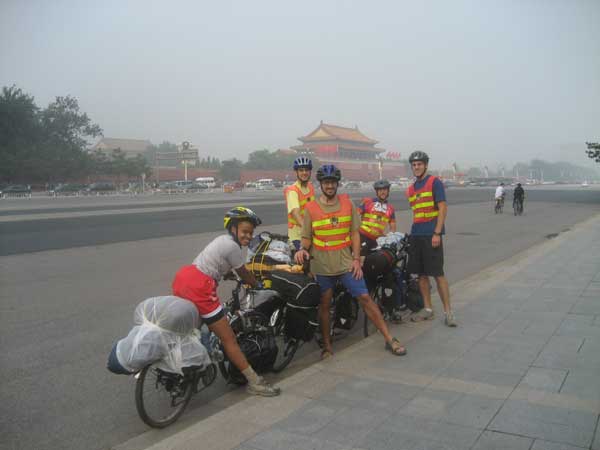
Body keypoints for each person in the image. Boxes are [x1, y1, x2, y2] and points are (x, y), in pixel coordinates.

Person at [294, 164, 407, 359]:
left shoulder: (348, 204)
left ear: (337, 183)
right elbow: (306, 238)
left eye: (333, 182)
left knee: (365, 298)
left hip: (347, 264)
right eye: (326, 182)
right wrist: (302, 250)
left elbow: (355, 234)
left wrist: (356, 259)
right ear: (321, 184)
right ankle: (327, 347)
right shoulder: (311, 208)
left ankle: (390, 339)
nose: (330, 186)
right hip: (322, 266)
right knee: (325, 304)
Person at [171, 206, 281, 397]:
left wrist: (226, 274)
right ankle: (255, 382)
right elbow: (245, 274)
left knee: (192, 331)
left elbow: (215, 264)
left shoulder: (221, 241)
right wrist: (257, 285)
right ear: (233, 229)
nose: (248, 236)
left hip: (184, 278)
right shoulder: (233, 247)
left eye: (251, 233)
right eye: (245, 231)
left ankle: (192, 367)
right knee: (228, 339)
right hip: (200, 287)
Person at [405, 151, 457, 327]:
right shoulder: (411, 189)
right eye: (414, 164)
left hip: (431, 235)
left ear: (425, 165)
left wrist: (437, 233)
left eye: (419, 164)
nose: (416, 167)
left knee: (438, 274)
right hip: (416, 235)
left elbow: (442, 208)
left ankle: (448, 312)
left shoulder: (435, 182)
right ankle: (427, 309)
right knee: (421, 275)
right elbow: (417, 211)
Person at [284, 156, 316, 251]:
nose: (304, 173)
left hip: (309, 233)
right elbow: (295, 213)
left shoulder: (310, 187)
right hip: (297, 236)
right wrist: (308, 229)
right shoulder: (293, 191)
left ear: (310, 171)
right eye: (301, 170)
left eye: (306, 170)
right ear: (296, 172)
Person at [358, 179, 397, 255]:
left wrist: (388, 238)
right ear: (376, 192)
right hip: (362, 236)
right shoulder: (368, 202)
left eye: (385, 189)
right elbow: (355, 215)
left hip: (376, 241)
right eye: (380, 190)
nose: (382, 192)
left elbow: (393, 228)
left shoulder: (390, 209)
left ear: (388, 191)